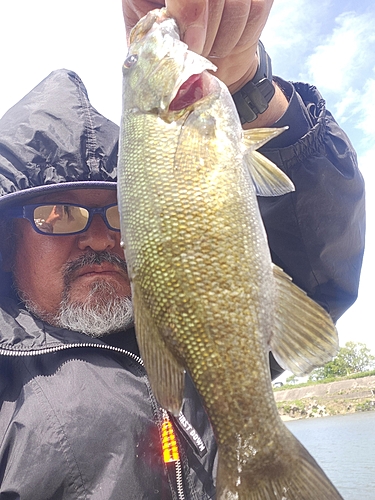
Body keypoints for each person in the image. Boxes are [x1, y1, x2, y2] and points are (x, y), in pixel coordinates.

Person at [0, 0, 365, 498]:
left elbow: (316, 257)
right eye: (57, 214)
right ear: (8, 239)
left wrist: (247, 85)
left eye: (121, 211)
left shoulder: (189, 344)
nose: (100, 237)